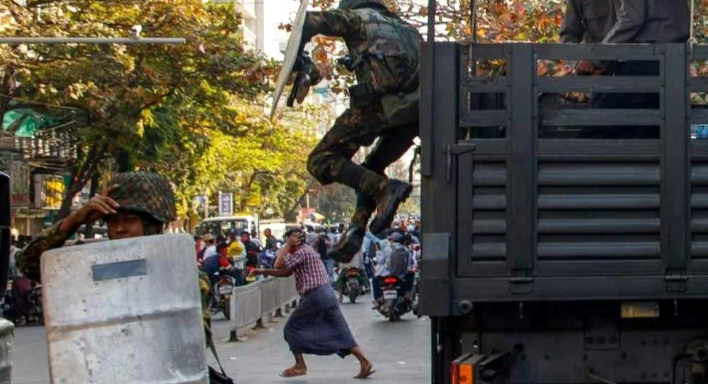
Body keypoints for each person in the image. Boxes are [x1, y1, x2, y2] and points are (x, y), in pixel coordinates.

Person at [15, 172, 215, 347]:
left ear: (154, 226)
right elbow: (30, 264)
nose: (120, 228)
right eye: (113, 221)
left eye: (130, 220)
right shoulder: (93, 268)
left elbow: (195, 340)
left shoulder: (181, 273)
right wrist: (76, 220)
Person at [298, 0, 422, 263]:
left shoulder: (357, 19)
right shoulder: (409, 30)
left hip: (380, 106)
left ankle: (383, 189)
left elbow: (308, 22)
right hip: (415, 114)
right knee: (372, 164)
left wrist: (302, 61)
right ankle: (356, 229)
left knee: (320, 160)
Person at [250, 229, 375, 379]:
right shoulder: (305, 252)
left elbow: (278, 264)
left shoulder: (302, 251)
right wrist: (262, 271)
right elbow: (286, 272)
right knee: (341, 330)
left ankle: (300, 365)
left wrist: (288, 245)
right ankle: (365, 362)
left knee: (291, 328)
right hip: (326, 293)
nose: (286, 246)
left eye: (288, 241)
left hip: (316, 295)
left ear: (295, 241)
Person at [578, 0, 689, 138]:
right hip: (674, 61)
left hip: (646, 61)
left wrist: (597, 57)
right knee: (652, 136)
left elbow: (632, 18)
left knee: (593, 132)